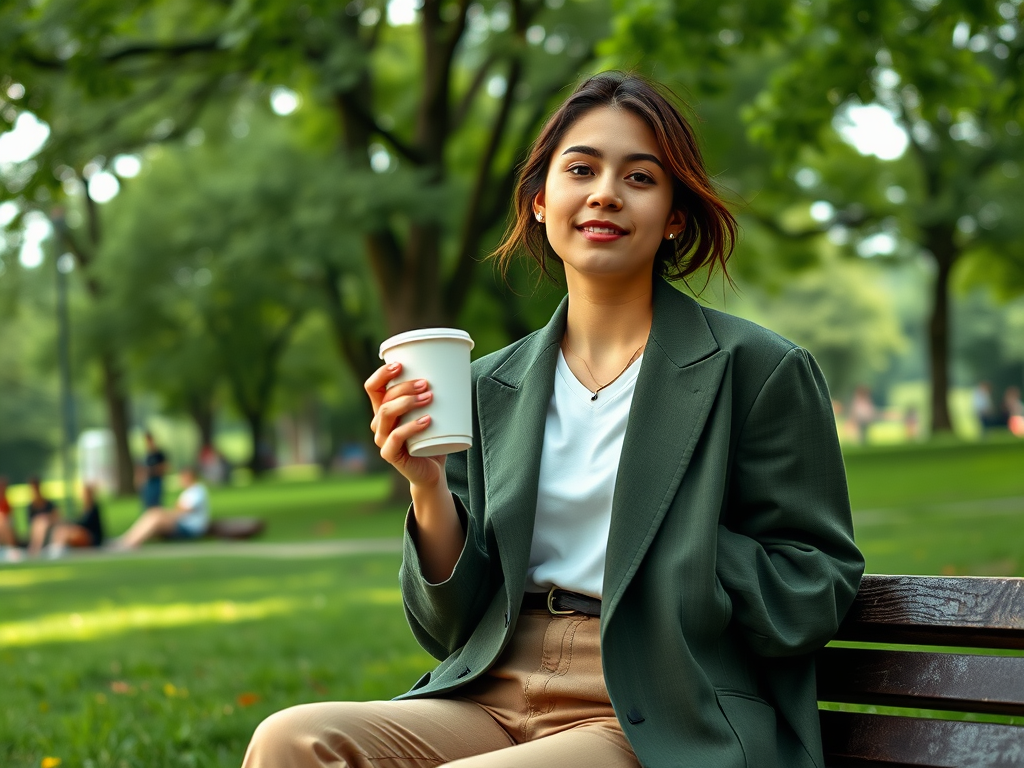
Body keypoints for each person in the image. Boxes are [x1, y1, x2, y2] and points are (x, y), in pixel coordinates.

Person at [244, 72, 864, 768]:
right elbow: (447, 626)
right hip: (493, 689)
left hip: (661, 704)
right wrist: (425, 488)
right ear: (541, 201)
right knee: (291, 741)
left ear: (675, 216)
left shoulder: (757, 369)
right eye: (581, 169)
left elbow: (814, 587)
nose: (605, 192)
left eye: (639, 177)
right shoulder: (488, 387)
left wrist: (667, 548)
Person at [114, 466, 209, 549]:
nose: (180, 480)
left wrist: (165, 513)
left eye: (182, 477)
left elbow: (184, 510)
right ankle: (127, 539)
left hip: (190, 529)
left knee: (156, 515)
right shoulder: (188, 492)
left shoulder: (197, 490)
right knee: (153, 513)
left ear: (189, 476)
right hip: (183, 525)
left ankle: (130, 543)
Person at [45, 483, 106, 557]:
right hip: (86, 533)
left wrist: (71, 523)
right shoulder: (85, 508)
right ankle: (56, 547)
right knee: (61, 529)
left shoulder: (93, 508)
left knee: (69, 532)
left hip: (93, 538)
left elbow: (86, 523)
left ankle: (59, 548)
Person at [24, 476, 60, 556]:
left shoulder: (48, 504)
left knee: (42, 523)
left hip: (49, 531)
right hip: (35, 532)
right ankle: (34, 549)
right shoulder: (31, 507)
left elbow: (57, 518)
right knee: (39, 523)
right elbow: (30, 524)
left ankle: (36, 550)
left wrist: (46, 518)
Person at [139, 431, 168, 512]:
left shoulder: (158, 454)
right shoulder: (146, 455)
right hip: (148, 481)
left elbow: (165, 467)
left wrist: (154, 470)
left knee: (156, 503)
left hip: (156, 480)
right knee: (147, 503)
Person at [0, 476, 22, 562]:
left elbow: (11, 519)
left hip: (6, 529)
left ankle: (11, 550)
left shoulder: (6, 502)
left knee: (4, 522)